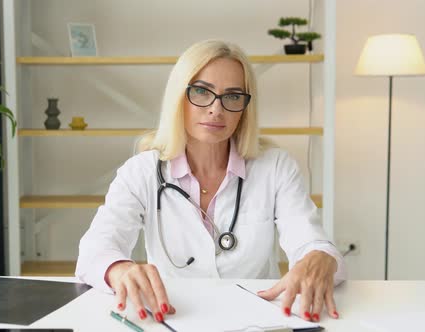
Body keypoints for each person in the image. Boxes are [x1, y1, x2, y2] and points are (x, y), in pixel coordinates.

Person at [76, 39, 346, 324]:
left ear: (244, 107)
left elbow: (312, 243)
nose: (216, 109)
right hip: (175, 317)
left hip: (256, 320)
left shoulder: (275, 168)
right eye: (202, 92)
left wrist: (320, 258)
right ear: (178, 97)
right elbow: (95, 250)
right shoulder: (141, 171)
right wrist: (120, 269)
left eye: (232, 96)